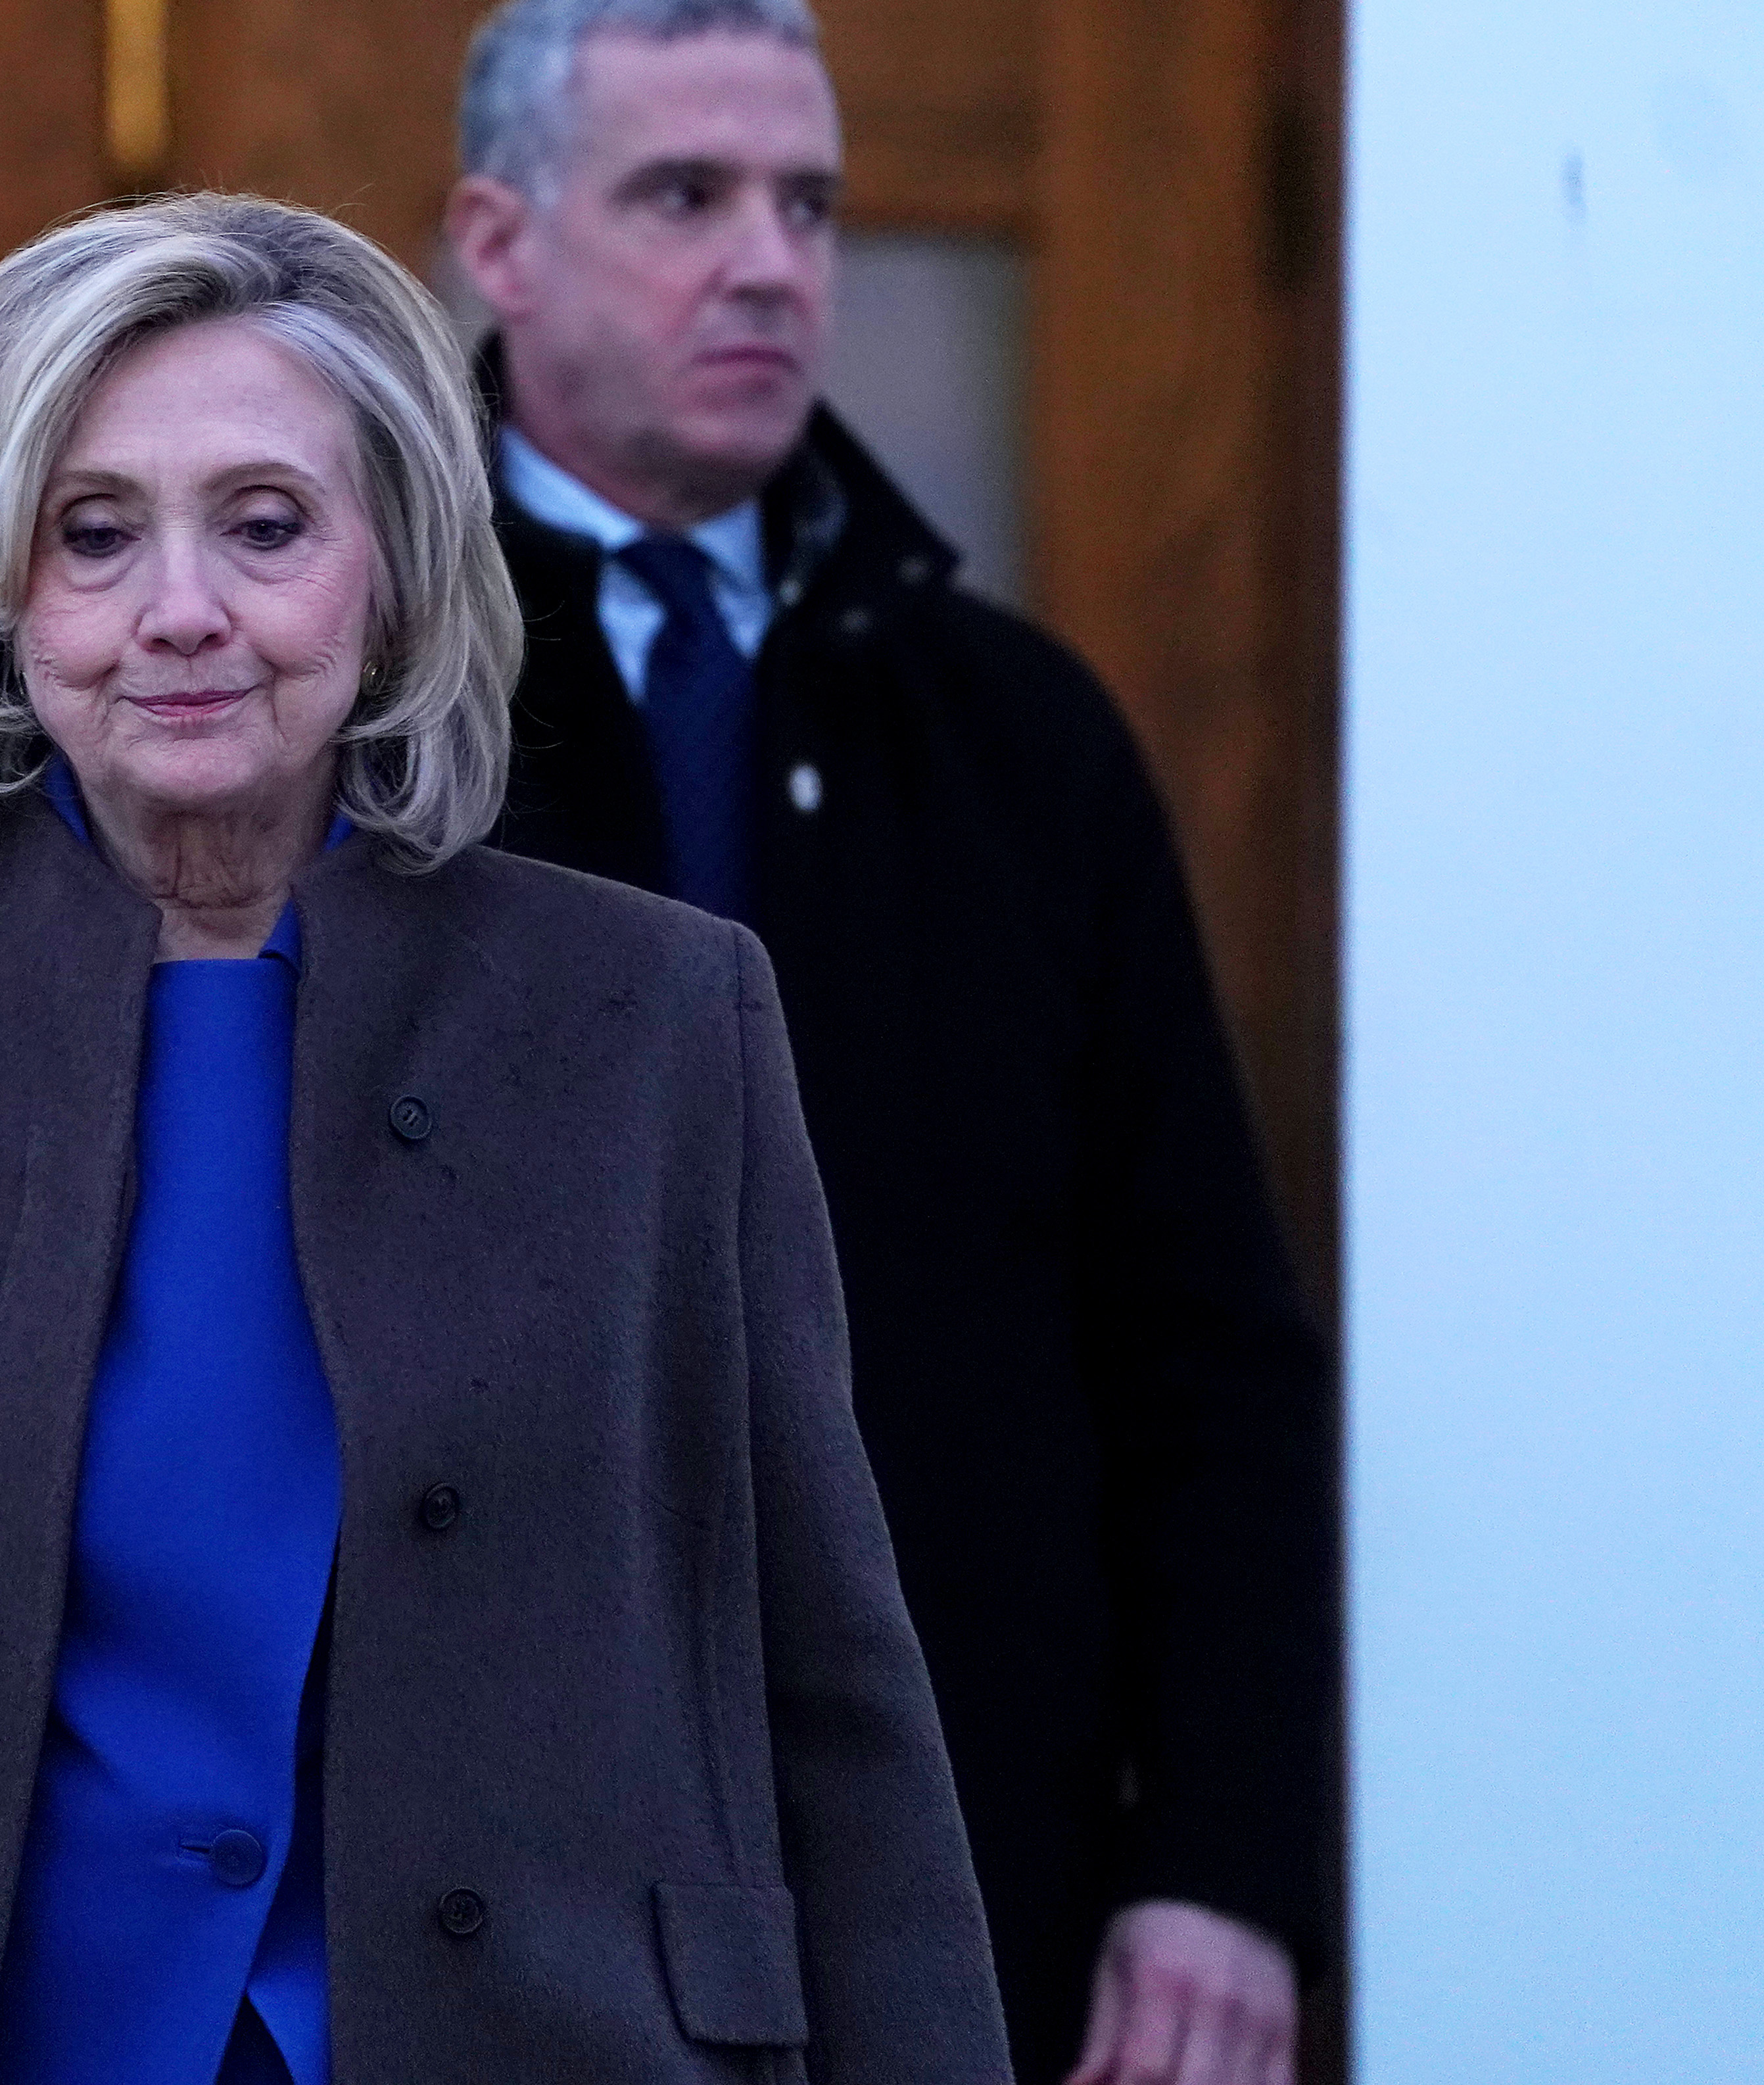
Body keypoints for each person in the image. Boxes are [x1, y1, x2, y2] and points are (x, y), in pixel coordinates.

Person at [0, 192, 1006, 2085]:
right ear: (2, 590)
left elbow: (828, 1680)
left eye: (264, 524)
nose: (179, 609)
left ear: (392, 568)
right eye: (94, 532)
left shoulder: (656, 1021)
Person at [443, 7, 1339, 2084]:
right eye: (686, 196)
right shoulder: (369, 710)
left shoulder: (1015, 738)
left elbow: (1204, 1353)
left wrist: (1219, 1864)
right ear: (498, 243)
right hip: (468, 1883)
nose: (769, 263)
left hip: (962, 1868)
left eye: (810, 204)